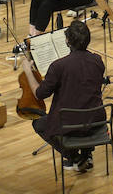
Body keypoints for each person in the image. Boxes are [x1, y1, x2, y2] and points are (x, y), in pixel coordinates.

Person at [23, 19, 107, 172]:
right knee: (85, 104)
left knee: (39, 124)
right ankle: (87, 154)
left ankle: (75, 157)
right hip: (95, 120)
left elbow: (40, 94)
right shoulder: (97, 61)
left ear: (67, 41)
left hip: (69, 123)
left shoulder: (58, 66)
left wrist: (28, 72)